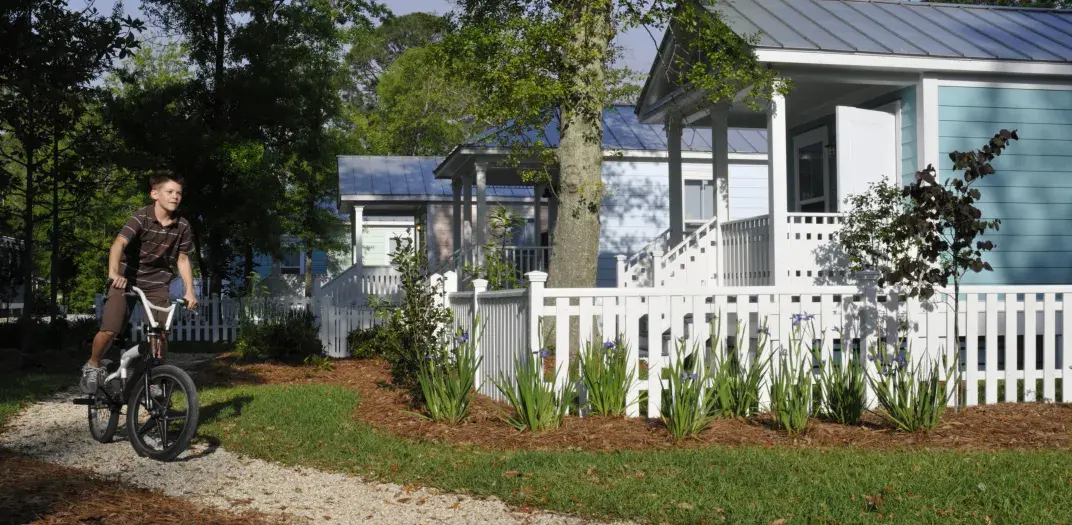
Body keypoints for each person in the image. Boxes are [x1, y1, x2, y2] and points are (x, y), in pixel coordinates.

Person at [80, 169, 198, 394]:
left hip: (157, 284)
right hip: (127, 280)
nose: (175, 196)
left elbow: (183, 259)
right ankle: (93, 365)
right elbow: (118, 244)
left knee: (159, 333)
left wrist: (190, 290)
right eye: (169, 191)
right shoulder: (141, 217)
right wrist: (114, 274)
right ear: (155, 194)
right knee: (110, 329)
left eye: (179, 193)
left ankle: (155, 379)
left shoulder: (182, 226)